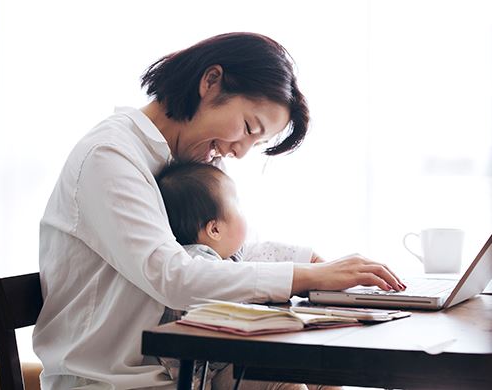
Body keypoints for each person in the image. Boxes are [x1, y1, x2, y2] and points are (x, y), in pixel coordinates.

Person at [33, 32, 405, 390]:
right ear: (211, 81)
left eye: (255, 142)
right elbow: (174, 278)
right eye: (247, 127)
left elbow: (233, 253)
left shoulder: (196, 159)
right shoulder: (109, 157)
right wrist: (307, 276)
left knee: (320, 373)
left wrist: (321, 266)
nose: (240, 151)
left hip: (193, 372)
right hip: (116, 381)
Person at [155, 161, 341, 390]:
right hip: (206, 376)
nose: (244, 214)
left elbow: (259, 253)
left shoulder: (227, 257)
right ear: (215, 229)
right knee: (284, 381)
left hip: (229, 362)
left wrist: (309, 259)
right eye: (238, 206)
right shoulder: (197, 264)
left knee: (325, 376)